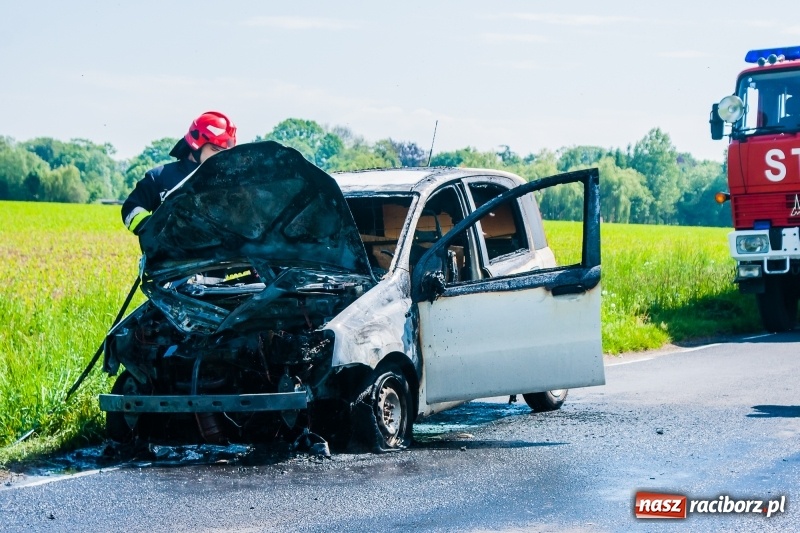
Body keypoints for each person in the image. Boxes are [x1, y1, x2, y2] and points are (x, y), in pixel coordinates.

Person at [121, 111, 237, 234]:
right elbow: (131, 209)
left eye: (225, 152)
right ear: (196, 144)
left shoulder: (231, 183)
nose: (220, 157)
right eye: (215, 149)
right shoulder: (160, 177)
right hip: (166, 246)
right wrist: (154, 229)